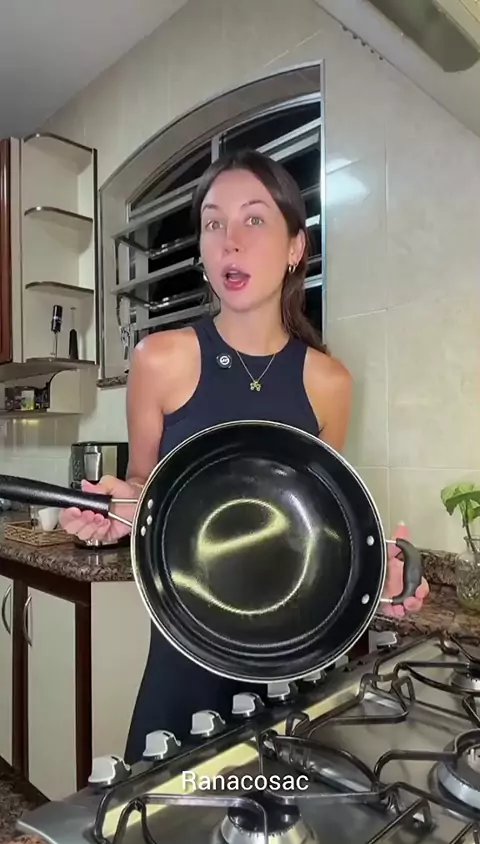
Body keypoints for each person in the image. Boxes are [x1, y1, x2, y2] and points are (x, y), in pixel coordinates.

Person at [59, 149, 429, 763]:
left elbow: (311, 530)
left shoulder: (329, 382)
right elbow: (148, 488)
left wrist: (374, 578)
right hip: (185, 655)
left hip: (290, 666)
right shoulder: (159, 359)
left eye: (254, 219)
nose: (230, 240)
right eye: (213, 223)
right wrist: (117, 506)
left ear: (295, 247)